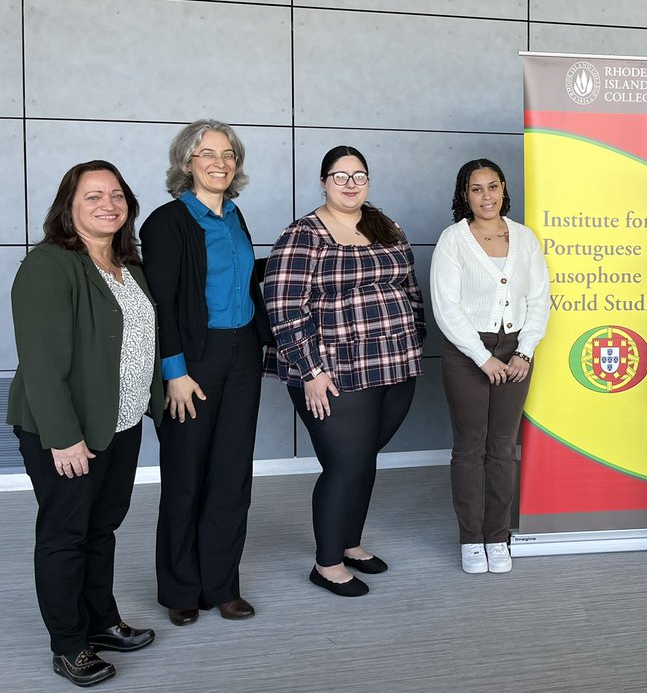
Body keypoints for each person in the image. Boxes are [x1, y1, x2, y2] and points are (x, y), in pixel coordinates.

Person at [7, 161, 163, 688]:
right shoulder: (49, 265)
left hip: (119, 423)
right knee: (65, 535)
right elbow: (42, 364)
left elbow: (140, 344)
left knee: (102, 529)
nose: (108, 204)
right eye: (93, 195)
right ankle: (69, 645)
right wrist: (63, 437)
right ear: (68, 207)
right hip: (66, 430)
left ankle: (101, 622)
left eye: (117, 194)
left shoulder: (128, 266)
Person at [265, 145, 425, 597]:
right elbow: (284, 307)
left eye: (359, 176)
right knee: (345, 464)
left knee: (362, 461)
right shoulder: (304, 235)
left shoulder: (385, 226)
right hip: (334, 372)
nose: (351, 184)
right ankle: (327, 563)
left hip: (395, 365)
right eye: (340, 176)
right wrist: (311, 370)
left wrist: (417, 336)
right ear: (323, 182)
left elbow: (410, 286)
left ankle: (349, 543)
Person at [140, 121, 272, 628]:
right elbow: (163, 304)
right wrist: (173, 372)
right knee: (185, 473)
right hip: (192, 358)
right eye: (207, 153)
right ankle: (179, 587)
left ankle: (222, 584)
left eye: (228, 154)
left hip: (241, 355)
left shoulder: (235, 217)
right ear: (187, 162)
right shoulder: (166, 222)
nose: (220, 162)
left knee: (232, 474)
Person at [430, 159, 550, 574]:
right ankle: (470, 538)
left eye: (493, 187)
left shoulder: (524, 238)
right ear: (465, 194)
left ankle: (497, 536)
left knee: (502, 448)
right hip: (468, 353)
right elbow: (447, 307)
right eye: (476, 189)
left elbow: (539, 299)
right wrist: (483, 359)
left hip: (517, 353)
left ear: (503, 190)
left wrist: (525, 352)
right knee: (470, 448)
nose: (486, 196)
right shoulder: (453, 240)